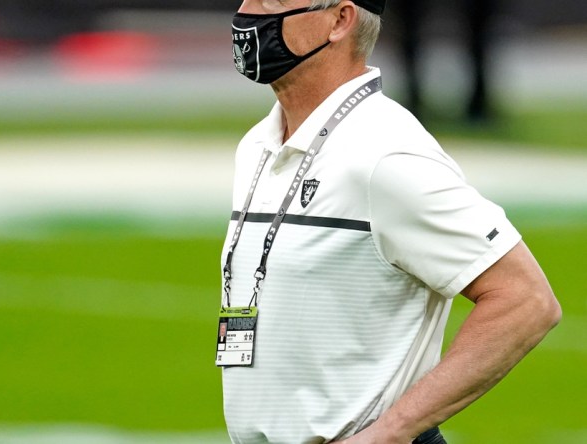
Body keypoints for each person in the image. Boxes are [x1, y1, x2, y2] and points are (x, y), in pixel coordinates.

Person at [216, 1, 561, 443]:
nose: (249, 13)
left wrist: (390, 432)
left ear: (340, 20)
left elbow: (526, 300)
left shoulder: (385, 153)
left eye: (274, 0)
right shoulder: (258, 144)